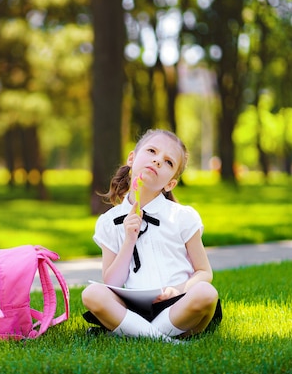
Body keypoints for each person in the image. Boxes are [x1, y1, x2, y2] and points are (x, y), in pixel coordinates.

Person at [82, 129, 221, 342]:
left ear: (170, 184)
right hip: (132, 307)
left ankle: (136, 333)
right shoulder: (109, 222)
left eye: (168, 162)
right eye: (152, 151)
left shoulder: (182, 216)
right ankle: (163, 338)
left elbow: (204, 272)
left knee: (206, 293)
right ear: (132, 158)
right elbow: (112, 281)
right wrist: (129, 239)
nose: (157, 161)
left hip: (177, 304)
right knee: (91, 293)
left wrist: (178, 290)